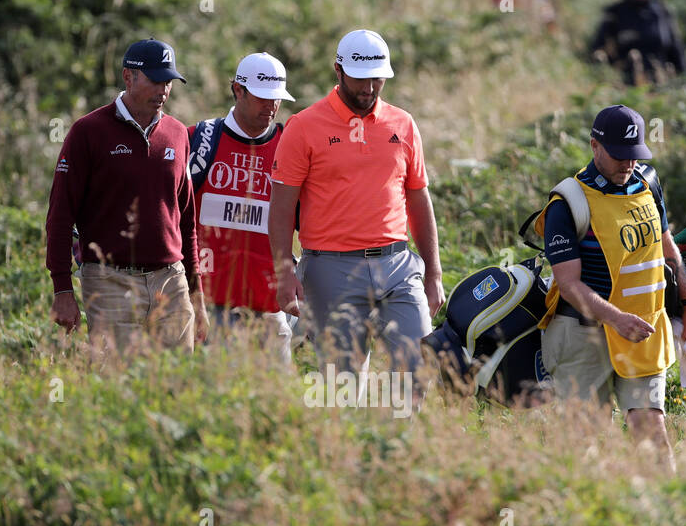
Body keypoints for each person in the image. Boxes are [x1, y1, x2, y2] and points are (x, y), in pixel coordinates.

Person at [269, 29, 444, 388]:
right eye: (360, 79)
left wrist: (434, 274)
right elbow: (282, 206)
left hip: (398, 264)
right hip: (330, 268)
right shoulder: (304, 126)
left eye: (377, 79)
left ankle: (396, 443)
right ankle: (350, 443)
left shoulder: (404, 124)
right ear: (338, 70)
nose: (369, 88)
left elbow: (418, 199)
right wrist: (284, 271)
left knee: (419, 365)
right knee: (342, 384)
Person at [537, 105, 686, 470]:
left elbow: (666, 246)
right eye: (618, 155)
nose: (627, 164)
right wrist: (616, 319)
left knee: (652, 432)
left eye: (634, 154)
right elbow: (568, 285)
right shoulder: (566, 204)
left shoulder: (647, 182)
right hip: (583, 337)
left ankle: (671, 516)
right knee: (582, 445)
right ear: (594, 147)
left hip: (642, 333)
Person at [46, 37, 207, 355]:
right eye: (155, 80)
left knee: (177, 383)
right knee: (118, 384)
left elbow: (185, 218)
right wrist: (62, 287)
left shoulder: (177, 133)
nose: (163, 90)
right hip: (109, 281)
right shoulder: (88, 132)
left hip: (171, 280)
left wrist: (195, 291)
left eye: (169, 82)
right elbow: (61, 215)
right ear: (128, 76)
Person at [189, 52, 296, 367]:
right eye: (262, 97)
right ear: (237, 90)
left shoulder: (290, 144)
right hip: (208, 305)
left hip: (269, 307)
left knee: (276, 404)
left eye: (276, 99)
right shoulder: (200, 138)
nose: (271, 106)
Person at [589, 0, 686, 86]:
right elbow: (600, 51)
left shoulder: (663, 12)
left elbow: (676, 50)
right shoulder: (614, 13)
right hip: (624, 86)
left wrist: (685, 80)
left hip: (661, 83)